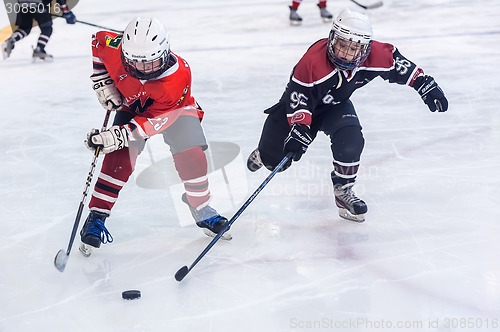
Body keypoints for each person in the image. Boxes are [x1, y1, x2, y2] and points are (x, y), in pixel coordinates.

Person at [247, 8, 448, 222]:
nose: (346, 53)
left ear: (366, 48)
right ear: (332, 38)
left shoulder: (376, 55)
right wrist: (299, 129)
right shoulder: (313, 61)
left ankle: (343, 191)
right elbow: (299, 98)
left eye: (354, 48)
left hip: (335, 106)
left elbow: (401, 66)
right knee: (276, 163)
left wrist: (426, 85)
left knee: (351, 142)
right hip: (300, 106)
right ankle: (263, 154)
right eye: (342, 44)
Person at [79, 17, 230, 256]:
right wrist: (102, 80)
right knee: (118, 160)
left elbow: (152, 123)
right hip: (132, 106)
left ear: (165, 51)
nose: (143, 69)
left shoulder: (177, 77)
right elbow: (97, 43)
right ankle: (97, 215)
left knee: (192, 157)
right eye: (136, 63)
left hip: (174, 110)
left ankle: (200, 207)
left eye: (151, 63)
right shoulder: (113, 46)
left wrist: (117, 135)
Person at [1, 0, 76, 60]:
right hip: (39, 4)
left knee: (25, 27)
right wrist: (66, 13)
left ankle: (11, 40)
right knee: (46, 28)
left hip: (22, 3)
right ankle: (39, 49)